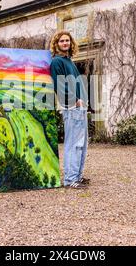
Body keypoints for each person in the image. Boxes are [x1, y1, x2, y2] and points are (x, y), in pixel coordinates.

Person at [50, 30, 90, 189]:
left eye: (67, 40)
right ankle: (70, 179)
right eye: (61, 41)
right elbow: (59, 87)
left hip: (80, 107)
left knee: (81, 144)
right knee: (73, 143)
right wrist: (74, 100)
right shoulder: (57, 62)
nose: (65, 43)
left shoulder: (69, 61)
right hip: (71, 107)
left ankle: (77, 176)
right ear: (56, 44)